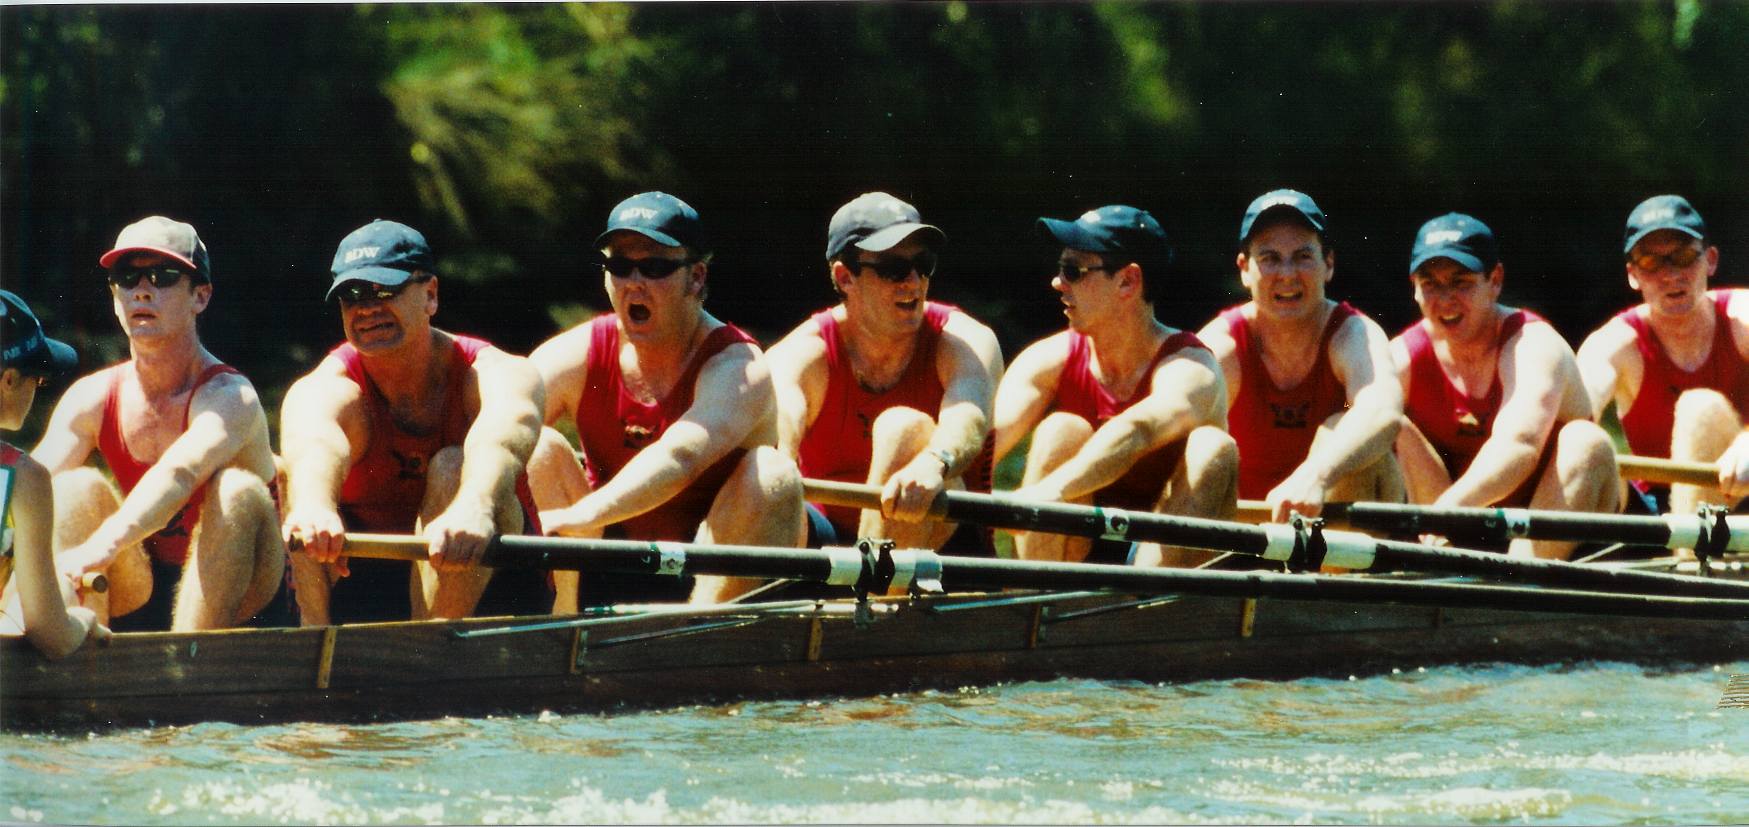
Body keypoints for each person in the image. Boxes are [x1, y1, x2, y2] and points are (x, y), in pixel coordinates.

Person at [525, 192, 804, 608]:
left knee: (773, 474)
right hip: (604, 557)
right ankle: (558, 631)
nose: (634, 282)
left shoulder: (738, 367)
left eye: (655, 267)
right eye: (620, 266)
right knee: (535, 445)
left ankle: (702, 641)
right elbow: (495, 423)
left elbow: (680, 457)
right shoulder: (577, 353)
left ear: (697, 279)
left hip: (707, 568)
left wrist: (579, 517)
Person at [279, 219, 549, 625]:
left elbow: (504, 438)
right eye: (352, 296)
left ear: (431, 295)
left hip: (495, 579)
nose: (367, 308)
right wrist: (315, 507)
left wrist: (473, 507)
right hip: (372, 585)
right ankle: (316, 649)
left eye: (385, 290)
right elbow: (315, 444)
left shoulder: (496, 372)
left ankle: (425, 658)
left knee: (454, 467)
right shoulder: (327, 388)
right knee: (292, 483)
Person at [34, 216, 287, 632]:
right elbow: (29, 480)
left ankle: (192, 677)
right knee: (73, 489)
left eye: (163, 276)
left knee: (235, 491)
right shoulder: (91, 397)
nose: (142, 290)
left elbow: (180, 472)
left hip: (246, 594)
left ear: (200, 296)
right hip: (146, 586)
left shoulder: (229, 396)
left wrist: (102, 545)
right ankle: (80, 680)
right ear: (114, 294)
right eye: (127, 277)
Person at [995, 205, 1237, 566]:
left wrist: (1050, 492)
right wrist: (935, 467)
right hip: (1078, 548)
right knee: (1061, 430)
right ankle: (1039, 605)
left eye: (1073, 271)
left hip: (1167, 549)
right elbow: (986, 443)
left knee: (1213, 447)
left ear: (1127, 281)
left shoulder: (1192, 367)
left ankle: (1149, 609)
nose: (1057, 283)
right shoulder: (1047, 359)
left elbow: (1137, 430)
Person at [765, 192, 1004, 552]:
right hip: (827, 542)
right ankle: (705, 608)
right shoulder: (801, 353)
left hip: (942, 535)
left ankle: (869, 596)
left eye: (923, 264)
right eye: (893, 268)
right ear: (845, 277)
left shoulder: (965, 340)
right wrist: (776, 465)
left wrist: (933, 463)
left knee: (903, 429)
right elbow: (780, 424)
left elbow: (968, 417)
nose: (913, 281)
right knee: (761, 469)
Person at [1390, 214, 1620, 558]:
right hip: (1453, 523)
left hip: (1556, 523)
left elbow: (1520, 445)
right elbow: (1348, 411)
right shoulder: (1402, 356)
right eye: (1431, 284)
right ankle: (1432, 561)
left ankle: (1520, 577)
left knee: (1586, 441)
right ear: (1414, 286)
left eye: (1461, 282)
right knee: (1381, 421)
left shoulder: (1534, 344)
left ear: (1495, 280)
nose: (1446, 299)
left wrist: (1448, 507)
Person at [1196, 189, 1405, 523]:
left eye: (1303, 256)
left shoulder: (1354, 334)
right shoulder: (1221, 344)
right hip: (1248, 534)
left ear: (1329, 265)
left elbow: (1383, 411)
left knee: (1345, 428)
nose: (1288, 274)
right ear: (1244, 270)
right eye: (1270, 258)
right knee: (1202, 443)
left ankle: (1339, 573)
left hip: (1333, 530)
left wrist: (1316, 477)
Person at [1577, 195, 1749, 515]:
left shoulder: (1742, 316)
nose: (1670, 275)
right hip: (1657, 508)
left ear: (1710, 260)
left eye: (1684, 257)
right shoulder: (1614, 343)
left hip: (1742, 491)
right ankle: (1514, 564)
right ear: (1633, 275)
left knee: (1701, 409)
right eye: (1651, 263)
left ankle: (1690, 558)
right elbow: (1576, 413)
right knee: (1578, 438)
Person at [0, 291, 108, 656]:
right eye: (38, 378)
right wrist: (83, 620)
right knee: (58, 592)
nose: (37, 389)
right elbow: (50, 634)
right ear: (9, 379)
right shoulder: (21, 477)